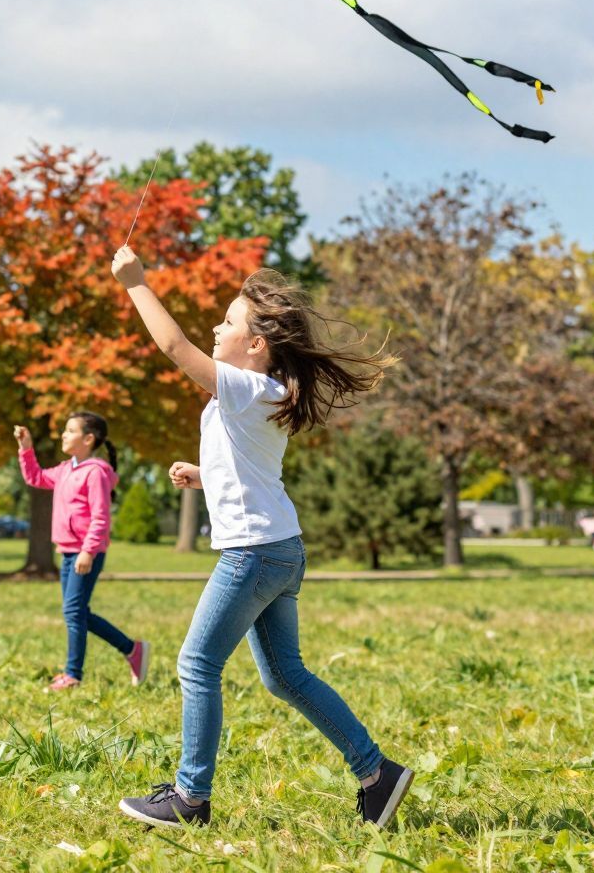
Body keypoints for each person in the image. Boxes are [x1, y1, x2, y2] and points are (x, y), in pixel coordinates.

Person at [109, 248, 411, 831]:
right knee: (284, 675)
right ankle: (379, 776)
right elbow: (252, 467)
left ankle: (190, 799)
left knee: (196, 664)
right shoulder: (257, 394)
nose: (216, 328)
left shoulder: (247, 387)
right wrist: (204, 476)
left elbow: (173, 348)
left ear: (256, 346)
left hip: (253, 552)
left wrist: (136, 284)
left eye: (228, 322)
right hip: (279, 549)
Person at [15, 413, 146, 692]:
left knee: (73, 611)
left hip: (86, 553)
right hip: (67, 551)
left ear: (88, 439)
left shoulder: (95, 472)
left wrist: (88, 551)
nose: (63, 434)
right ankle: (132, 649)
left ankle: (73, 675)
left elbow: (101, 517)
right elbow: (36, 477)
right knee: (77, 612)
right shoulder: (66, 469)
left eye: (70, 430)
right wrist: (26, 448)